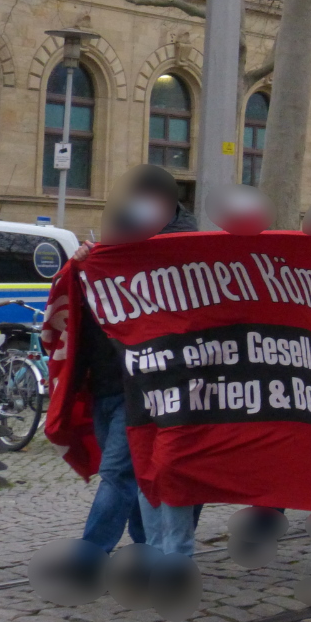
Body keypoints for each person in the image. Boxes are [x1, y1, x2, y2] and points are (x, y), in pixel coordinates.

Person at [73, 165, 197, 556]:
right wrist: (86, 262)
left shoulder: (189, 248)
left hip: (148, 383)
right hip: (107, 378)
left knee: (119, 472)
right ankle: (148, 547)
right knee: (137, 474)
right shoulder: (121, 233)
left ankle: (90, 556)